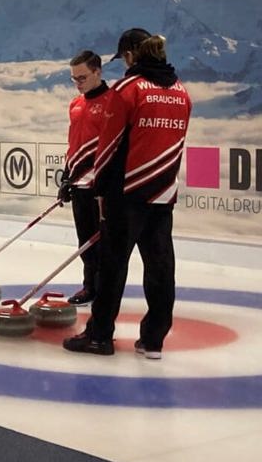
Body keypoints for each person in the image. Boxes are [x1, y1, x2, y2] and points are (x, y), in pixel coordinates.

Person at [64, 29, 192, 360]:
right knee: (161, 268)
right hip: (163, 194)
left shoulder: (127, 90)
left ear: (132, 57)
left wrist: (100, 191)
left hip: (126, 195)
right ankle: (153, 341)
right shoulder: (182, 93)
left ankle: (99, 336)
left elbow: (108, 148)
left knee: (112, 267)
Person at [59, 50, 110, 306]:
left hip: (100, 186)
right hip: (79, 183)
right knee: (85, 242)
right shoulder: (76, 104)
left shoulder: (113, 102)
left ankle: (102, 290)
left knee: (102, 244)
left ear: (97, 72)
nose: (78, 84)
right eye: (73, 79)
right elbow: (73, 144)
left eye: (82, 78)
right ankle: (89, 286)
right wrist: (67, 177)